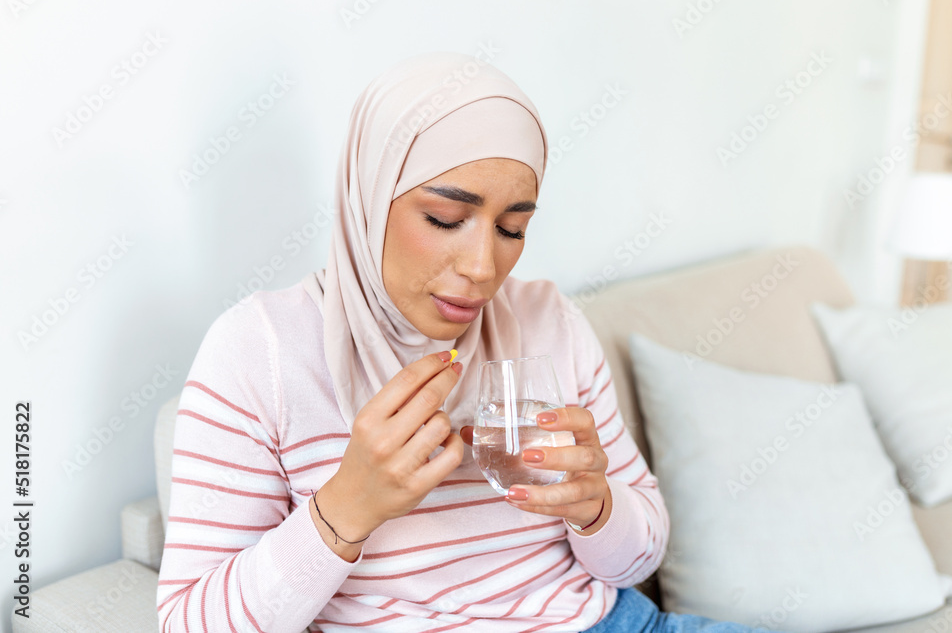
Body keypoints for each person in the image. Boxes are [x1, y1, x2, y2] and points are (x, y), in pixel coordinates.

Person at [157, 52, 781, 633]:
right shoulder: (261, 350)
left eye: (512, 228)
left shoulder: (548, 320)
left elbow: (635, 561)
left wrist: (595, 506)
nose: (484, 268)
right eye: (445, 219)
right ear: (368, 198)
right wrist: (346, 507)